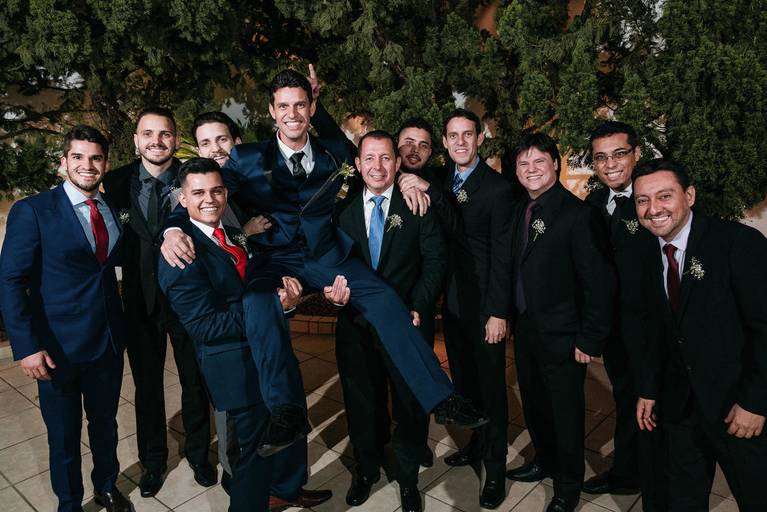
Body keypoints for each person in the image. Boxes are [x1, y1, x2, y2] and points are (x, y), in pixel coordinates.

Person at [161, 69, 488, 430]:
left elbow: (375, 165)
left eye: (300, 105)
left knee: (383, 297)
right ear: (272, 110)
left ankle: (441, 399)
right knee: (257, 302)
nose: (292, 114)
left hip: (325, 254)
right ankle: (285, 410)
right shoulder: (246, 157)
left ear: (311, 108)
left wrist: (409, 180)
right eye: (283, 106)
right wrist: (172, 227)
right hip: (273, 257)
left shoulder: (334, 152)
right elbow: (204, 191)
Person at [158, 158, 341, 511]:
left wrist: (286, 302)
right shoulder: (179, 253)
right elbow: (205, 326)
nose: (209, 199)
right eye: (198, 192)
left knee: (287, 432)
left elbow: (257, 289)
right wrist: (270, 308)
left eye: (216, 191)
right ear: (183, 198)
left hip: (271, 355)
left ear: (226, 194)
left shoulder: (232, 234)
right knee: (253, 460)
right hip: (236, 368)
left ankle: (285, 491)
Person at [0, 125, 132, 512]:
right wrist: (26, 347)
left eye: (95, 158)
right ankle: (69, 504)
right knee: (64, 435)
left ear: (105, 163)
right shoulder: (33, 211)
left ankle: (107, 487)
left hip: (107, 341)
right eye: (78, 157)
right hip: (57, 348)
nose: (86, 165)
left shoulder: (112, 208)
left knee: (105, 424)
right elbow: (10, 281)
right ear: (64, 162)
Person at [632, 159, 767, 511]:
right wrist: (648, 387)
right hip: (679, 407)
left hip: (737, 406)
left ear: (689, 196)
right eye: (643, 200)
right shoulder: (645, 250)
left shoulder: (736, 243)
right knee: (683, 499)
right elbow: (654, 328)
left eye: (664, 196)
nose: (653, 209)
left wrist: (756, 402)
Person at [404, 108, 515, 509]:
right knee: (465, 383)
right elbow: (402, 170)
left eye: (468, 134)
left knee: (492, 389)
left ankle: (495, 468)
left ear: (480, 138)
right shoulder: (440, 177)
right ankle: (477, 446)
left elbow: (503, 257)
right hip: (451, 303)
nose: (461, 142)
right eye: (453, 135)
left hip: (485, 306)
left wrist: (499, 312)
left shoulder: (498, 188)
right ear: (445, 142)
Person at [102, 107, 215, 497]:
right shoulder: (114, 182)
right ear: (136, 140)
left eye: (165, 133)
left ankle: (199, 455)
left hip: (190, 300)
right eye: (148, 134)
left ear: (175, 139)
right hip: (139, 302)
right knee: (147, 388)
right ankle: (153, 462)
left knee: (195, 383)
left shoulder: (193, 178)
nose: (156, 141)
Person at [333, 131, 446, 511]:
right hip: (357, 326)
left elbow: (435, 262)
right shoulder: (342, 212)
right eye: (369, 158)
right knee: (362, 402)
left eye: (385, 158)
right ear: (358, 164)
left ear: (397, 163)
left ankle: (408, 478)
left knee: (410, 403)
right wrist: (332, 290)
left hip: (407, 324)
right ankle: (366, 469)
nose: (377, 166)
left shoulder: (417, 204)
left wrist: (418, 304)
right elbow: (331, 263)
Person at [506, 133, 615, 512]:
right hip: (526, 329)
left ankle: (568, 484)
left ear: (555, 164)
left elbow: (598, 283)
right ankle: (544, 460)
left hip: (564, 336)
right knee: (535, 404)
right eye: (523, 164)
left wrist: (589, 338)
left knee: (565, 413)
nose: (531, 169)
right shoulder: (521, 208)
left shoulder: (578, 215)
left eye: (539, 161)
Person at [582, 121, 660, 502]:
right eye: (601, 157)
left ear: (636, 154)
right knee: (627, 399)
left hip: (651, 327)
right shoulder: (595, 203)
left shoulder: (652, 200)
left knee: (651, 400)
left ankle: (648, 475)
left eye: (619, 154)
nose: (610, 164)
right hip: (614, 328)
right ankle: (630, 472)